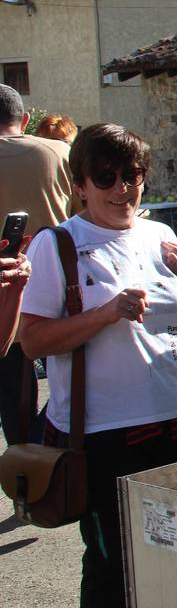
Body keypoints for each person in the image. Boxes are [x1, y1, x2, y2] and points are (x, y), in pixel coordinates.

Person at [19, 123, 177, 608]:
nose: (123, 188)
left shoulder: (156, 235)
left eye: (133, 176)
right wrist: (106, 313)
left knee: (168, 556)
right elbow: (32, 340)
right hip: (105, 437)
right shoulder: (59, 245)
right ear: (80, 184)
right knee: (111, 567)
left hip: (174, 424)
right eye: (107, 177)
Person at [0, 84, 77, 445]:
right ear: (26, 120)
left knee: (15, 403)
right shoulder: (61, 152)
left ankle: (25, 478)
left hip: (6, 303)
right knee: (77, 389)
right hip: (64, 293)